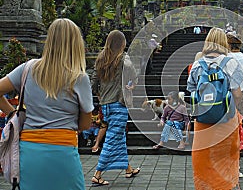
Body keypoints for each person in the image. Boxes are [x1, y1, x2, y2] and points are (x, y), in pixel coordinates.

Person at [0, 18, 93, 190]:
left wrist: (12, 113)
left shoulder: (27, 69)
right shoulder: (79, 78)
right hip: (63, 153)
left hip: (29, 152)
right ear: (76, 44)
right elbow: (86, 124)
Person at [187, 27, 243, 190]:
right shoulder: (231, 62)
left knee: (204, 159)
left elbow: (191, 90)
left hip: (203, 120)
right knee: (226, 158)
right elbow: (237, 93)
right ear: (223, 42)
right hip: (226, 119)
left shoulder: (197, 64)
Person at [91, 30, 140, 186]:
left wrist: (99, 94)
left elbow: (93, 82)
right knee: (112, 139)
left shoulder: (101, 59)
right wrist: (131, 85)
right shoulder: (124, 59)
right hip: (119, 103)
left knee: (119, 137)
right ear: (122, 43)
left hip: (105, 104)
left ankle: (128, 169)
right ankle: (97, 174)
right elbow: (134, 77)